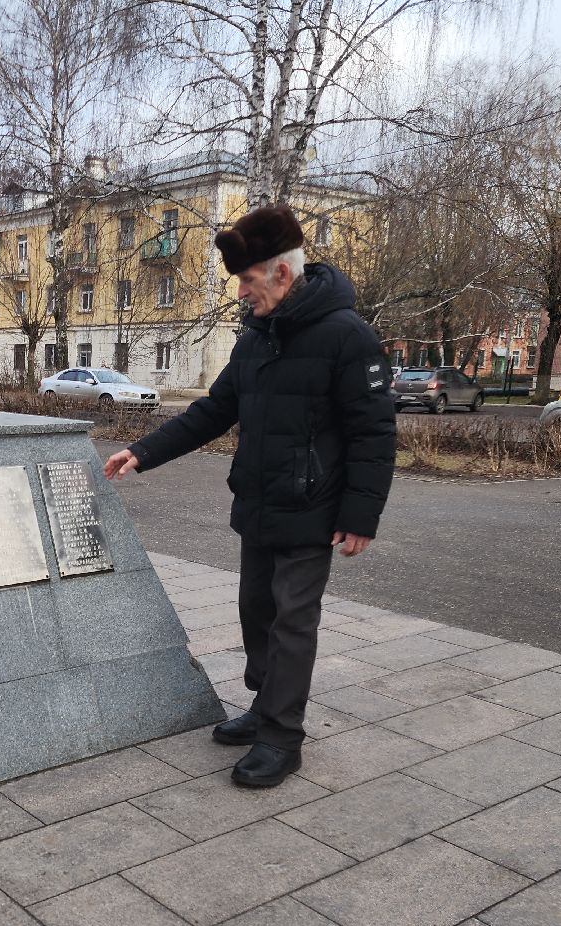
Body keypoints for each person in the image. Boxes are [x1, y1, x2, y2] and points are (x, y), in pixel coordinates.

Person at [104, 206, 396, 788]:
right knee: (256, 613)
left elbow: (374, 432)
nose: (240, 292)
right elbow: (216, 409)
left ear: (282, 275)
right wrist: (143, 451)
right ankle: (265, 709)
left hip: (313, 510)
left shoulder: (348, 336)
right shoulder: (257, 336)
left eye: (247, 279)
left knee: (291, 622)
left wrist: (361, 515)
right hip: (258, 504)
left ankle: (283, 738)